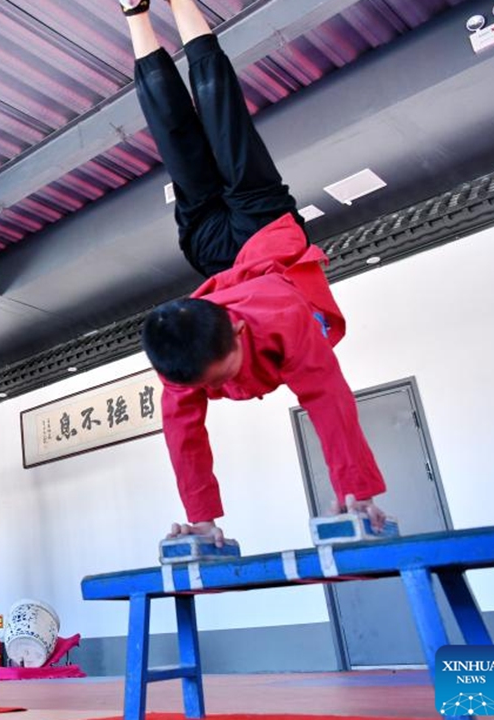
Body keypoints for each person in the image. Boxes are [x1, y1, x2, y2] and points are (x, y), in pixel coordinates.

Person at [116, 0, 388, 544]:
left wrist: (356, 488)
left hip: (227, 248)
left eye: (220, 377)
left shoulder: (286, 320)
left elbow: (327, 398)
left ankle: (146, 9)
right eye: (211, 384)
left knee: (181, 135)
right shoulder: (179, 359)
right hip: (261, 228)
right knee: (222, 119)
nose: (220, 388)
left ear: (237, 328)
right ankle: (141, 9)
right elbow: (183, 433)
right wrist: (202, 518)